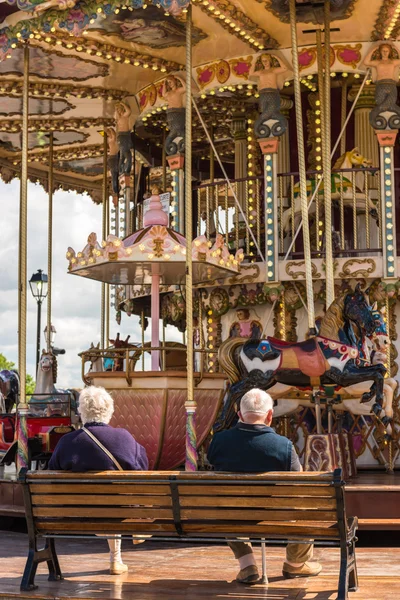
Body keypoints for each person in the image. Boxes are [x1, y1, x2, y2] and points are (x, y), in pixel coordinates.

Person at [207, 388, 322, 584]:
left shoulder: (219, 442)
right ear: (270, 415)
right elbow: (300, 483)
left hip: (234, 515)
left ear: (239, 415)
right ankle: (296, 563)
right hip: (275, 516)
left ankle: (247, 564)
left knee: (226, 504)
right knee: (307, 500)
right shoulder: (283, 446)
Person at [49, 386, 148, 576]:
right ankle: (116, 558)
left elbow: (52, 474)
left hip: (78, 512)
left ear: (81, 412)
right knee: (115, 500)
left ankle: (116, 558)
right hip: (120, 510)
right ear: (110, 411)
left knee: (103, 502)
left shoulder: (68, 442)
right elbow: (142, 467)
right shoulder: (125, 438)